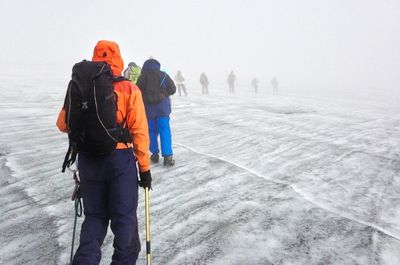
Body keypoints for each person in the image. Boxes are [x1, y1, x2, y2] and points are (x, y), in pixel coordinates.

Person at [56, 40, 151, 265]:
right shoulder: (129, 88)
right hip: (120, 162)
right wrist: (144, 169)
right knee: (124, 219)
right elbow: (139, 131)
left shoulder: (81, 86)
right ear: (118, 58)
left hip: (88, 160)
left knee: (95, 218)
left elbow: (62, 124)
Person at [136, 59, 176, 167]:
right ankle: (167, 156)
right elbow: (173, 89)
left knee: (151, 132)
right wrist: (164, 94)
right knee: (165, 131)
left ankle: (154, 154)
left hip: (149, 111)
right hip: (163, 109)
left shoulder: (142, 77)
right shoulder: (163, 75)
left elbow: (137, 92)